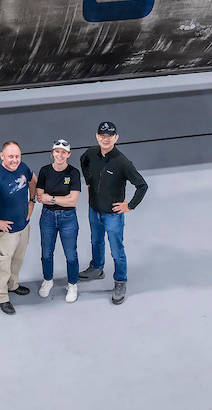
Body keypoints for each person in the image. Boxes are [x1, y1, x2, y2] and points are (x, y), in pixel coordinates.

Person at [78, 121, 148, 305]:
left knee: (117, 250)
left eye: (109, 136)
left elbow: (142, 186)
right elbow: (83, 161)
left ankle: (120, 281)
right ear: (97, 136)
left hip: (112, 215)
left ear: (116, 138)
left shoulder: (122, 162)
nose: (105, 139)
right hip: (94, 209)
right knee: (96, 240)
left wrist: (130, 205)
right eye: (102, 135)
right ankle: (97, 268)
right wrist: (88, 182)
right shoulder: (91, 153)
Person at [0, 141, 36, 315]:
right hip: (6, 231)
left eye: (17, 156)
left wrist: (32, 201)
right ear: (2, 156)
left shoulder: (23, 167)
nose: (14, 160)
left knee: (18, 259)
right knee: (3, 263)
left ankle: (12, 285)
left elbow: (33, 180)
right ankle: (1, 296)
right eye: (10, 156)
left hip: (23, 225)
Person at [35, 138, 82, 303]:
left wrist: (52, 198)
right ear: (52, 153)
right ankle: (48, 280)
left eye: (63, 152)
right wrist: (58, 198)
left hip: (68, 218)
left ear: (68, 154)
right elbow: (40, 197)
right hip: (47, 217)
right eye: (57, 151)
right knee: (46, 253)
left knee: (71, 255)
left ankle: (72, 284)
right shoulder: (45, 171)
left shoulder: (73, 173)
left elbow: (73, 201)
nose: (60, 155)